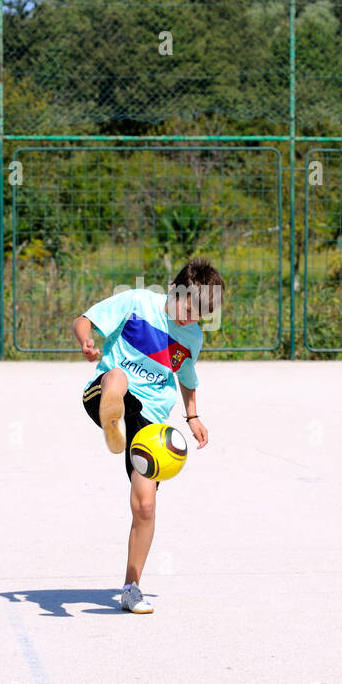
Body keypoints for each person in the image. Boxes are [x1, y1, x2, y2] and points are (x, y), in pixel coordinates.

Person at [72, 257, 224, 614]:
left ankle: (131, 587)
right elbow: (84, 320)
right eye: (188, 307)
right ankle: (113, 417)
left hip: (150, 424)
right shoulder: (137, 302)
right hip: (105, 390)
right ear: (174, 291)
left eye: (199, 314)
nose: (190, 317)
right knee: (118, 380)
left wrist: (193, 416)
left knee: (145, 506)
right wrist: (86, 342)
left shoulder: (192, 336)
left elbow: (185, 377)